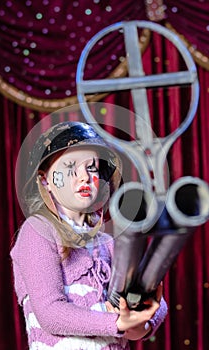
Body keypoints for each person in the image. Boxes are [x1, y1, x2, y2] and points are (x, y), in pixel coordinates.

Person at [10, 121, 168, 350]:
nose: (84, 177)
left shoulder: (108, 241)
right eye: (70, 167)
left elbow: (154, 306)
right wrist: (117, 322)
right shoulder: (38, 231)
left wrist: (140, 320)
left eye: (92, 168)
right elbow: (50, 313)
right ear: (46, 181)